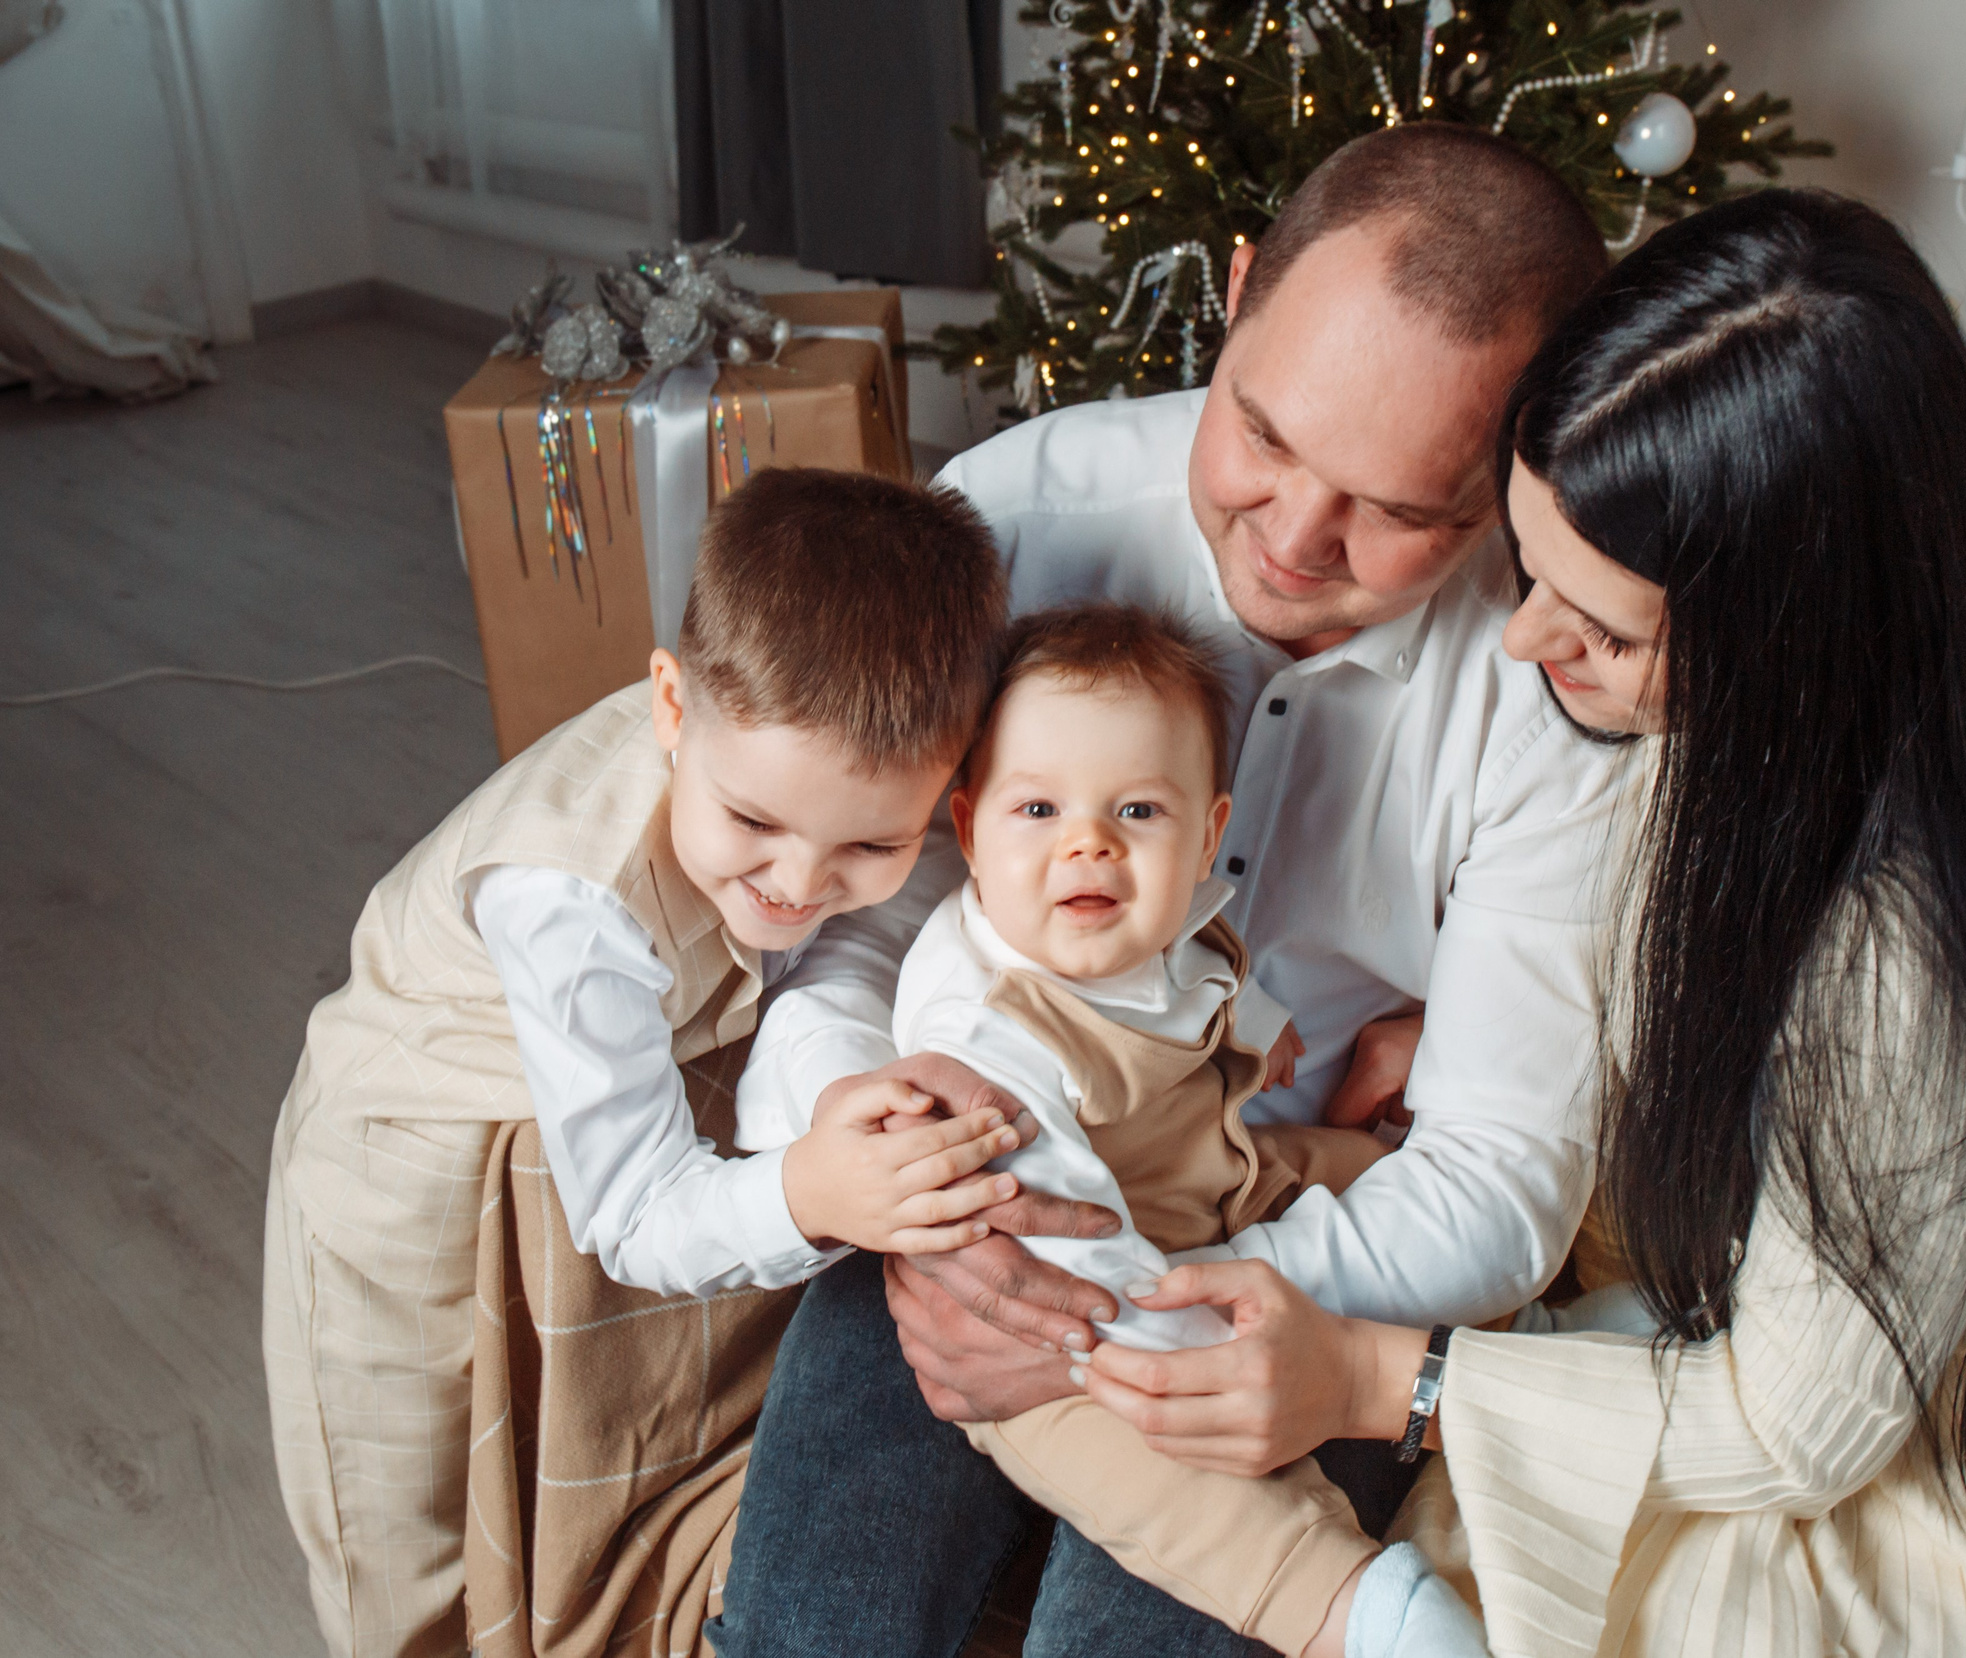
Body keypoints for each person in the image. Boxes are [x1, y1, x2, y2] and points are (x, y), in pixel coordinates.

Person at [1070, 192, 1966, 1658]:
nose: (1526, 642)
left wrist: (1381, 1380)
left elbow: (1802, 1424)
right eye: (1525, 572)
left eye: (1599, 626)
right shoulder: (1750, 738)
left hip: (1960, 1465)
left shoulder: (1907, 951)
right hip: (1762, 1314)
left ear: (1793, 638)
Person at [708, 124, 1637, 1658]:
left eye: (1399, 509)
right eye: (1265, 438)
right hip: (981, 1194)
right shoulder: (1011, 520)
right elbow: (851, 920)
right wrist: (913, 1198)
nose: (1293, 538)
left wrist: (1171, 1300)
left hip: (1292, 1250)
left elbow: (1498, 1175)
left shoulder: (1550, 682)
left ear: (1519, 462)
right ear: (1238, 287)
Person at [262, 469, 1051, 1658]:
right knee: (410, 1515)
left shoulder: (825, 807)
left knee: (561, 1469)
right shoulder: (568, 895)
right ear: (671, 707)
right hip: (404, 1164)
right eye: (754, 823)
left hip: (595, 1122)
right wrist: (805, 1193)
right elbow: (631, 1209)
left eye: (871, 844)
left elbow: (826, 968)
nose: (797, 882)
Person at [894, 603, 1411, 1657]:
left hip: (1220, 1174)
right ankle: (1368, 1612)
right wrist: (1198, 1349)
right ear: (969, 831)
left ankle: (1520, 1346)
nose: (1088, 840)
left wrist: (1265, 1039)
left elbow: (1204, 969)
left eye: (1136, 810)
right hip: (1062, 1318)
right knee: (1181, 1479)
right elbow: (1073, 1258)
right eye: (1037, 807)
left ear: (1207, 833)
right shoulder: (984, 1040)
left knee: (1390, 1180)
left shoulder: (1164, 913)